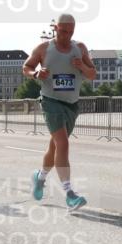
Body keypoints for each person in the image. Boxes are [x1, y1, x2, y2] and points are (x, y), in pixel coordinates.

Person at [23, 13, 96, 210]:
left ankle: (40, 177)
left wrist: (81, 65)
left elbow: (92, 74)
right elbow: (27, 67)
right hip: (50, 101)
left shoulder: (79, 48)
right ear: (55, 28)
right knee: (63, 143)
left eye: (70, 32)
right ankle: (70, 194)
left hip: (71, 104)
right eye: (63, 31)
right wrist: (36, 73)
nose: (66, 36)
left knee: (55, 147)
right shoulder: (44, 48)